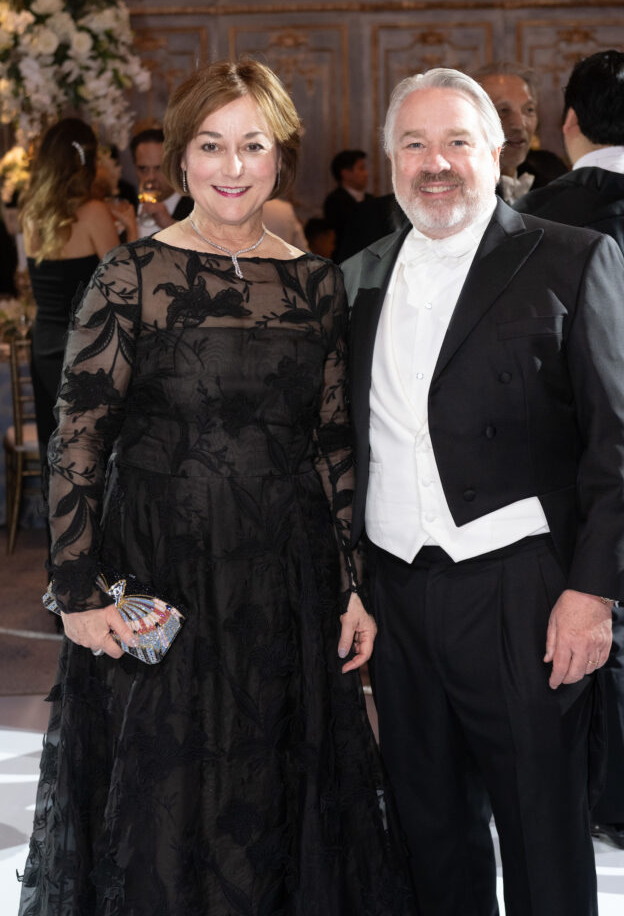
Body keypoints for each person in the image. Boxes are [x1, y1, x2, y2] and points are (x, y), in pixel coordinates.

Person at [18, 58, 415, 916]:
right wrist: (79, 593)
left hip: (286, 573)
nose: (232, 168)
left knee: (275, 779)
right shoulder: (129, 276)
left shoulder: (314, 283)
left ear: (281, 158)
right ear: (178, 159)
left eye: (252, 146)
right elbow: (77, 442)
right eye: (211, 145)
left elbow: (333, 442)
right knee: (164, 784)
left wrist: (352, 586)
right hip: (159, 567)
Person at [341, 67, 624, 916]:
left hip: (520, 591)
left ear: (495, 151)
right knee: (428, 828)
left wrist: (591, 595)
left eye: (455, 142)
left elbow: (619, 449)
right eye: (413, 144)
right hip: (398, 594)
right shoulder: (356, 276)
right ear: (390, 157)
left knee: (541, 830)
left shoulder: (571, 257)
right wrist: (352, 584)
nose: (433, 163)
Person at [516, 50, 624, 846]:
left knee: (584, 610)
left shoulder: (536, 214)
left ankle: (596, 784)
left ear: (568, 120)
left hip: (567, 455)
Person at [20, 118, 121, 468]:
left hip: (45, 344)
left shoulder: (32, 214)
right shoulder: (94, 213)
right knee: (91, 453)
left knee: (56, 447)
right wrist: (131, 229)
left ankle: (57, 521)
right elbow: (123, 285)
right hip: (84, 346)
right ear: (88, 161)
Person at [474, 61, 567, 203]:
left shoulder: (551, 172)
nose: (519, 124)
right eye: (503, 110)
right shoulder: (457, 186)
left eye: (528, 110)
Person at [128, 127, 193, 237]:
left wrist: (169, 224)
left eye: (159, 168)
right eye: (143, 168)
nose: (151, 177)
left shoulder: (197, 209)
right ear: (135, 168)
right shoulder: (128, 208)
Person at [323, 149, 372, 260]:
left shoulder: (371, 199)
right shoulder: (334, 201)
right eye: (361, 168)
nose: (366, 173)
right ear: (345, 173)